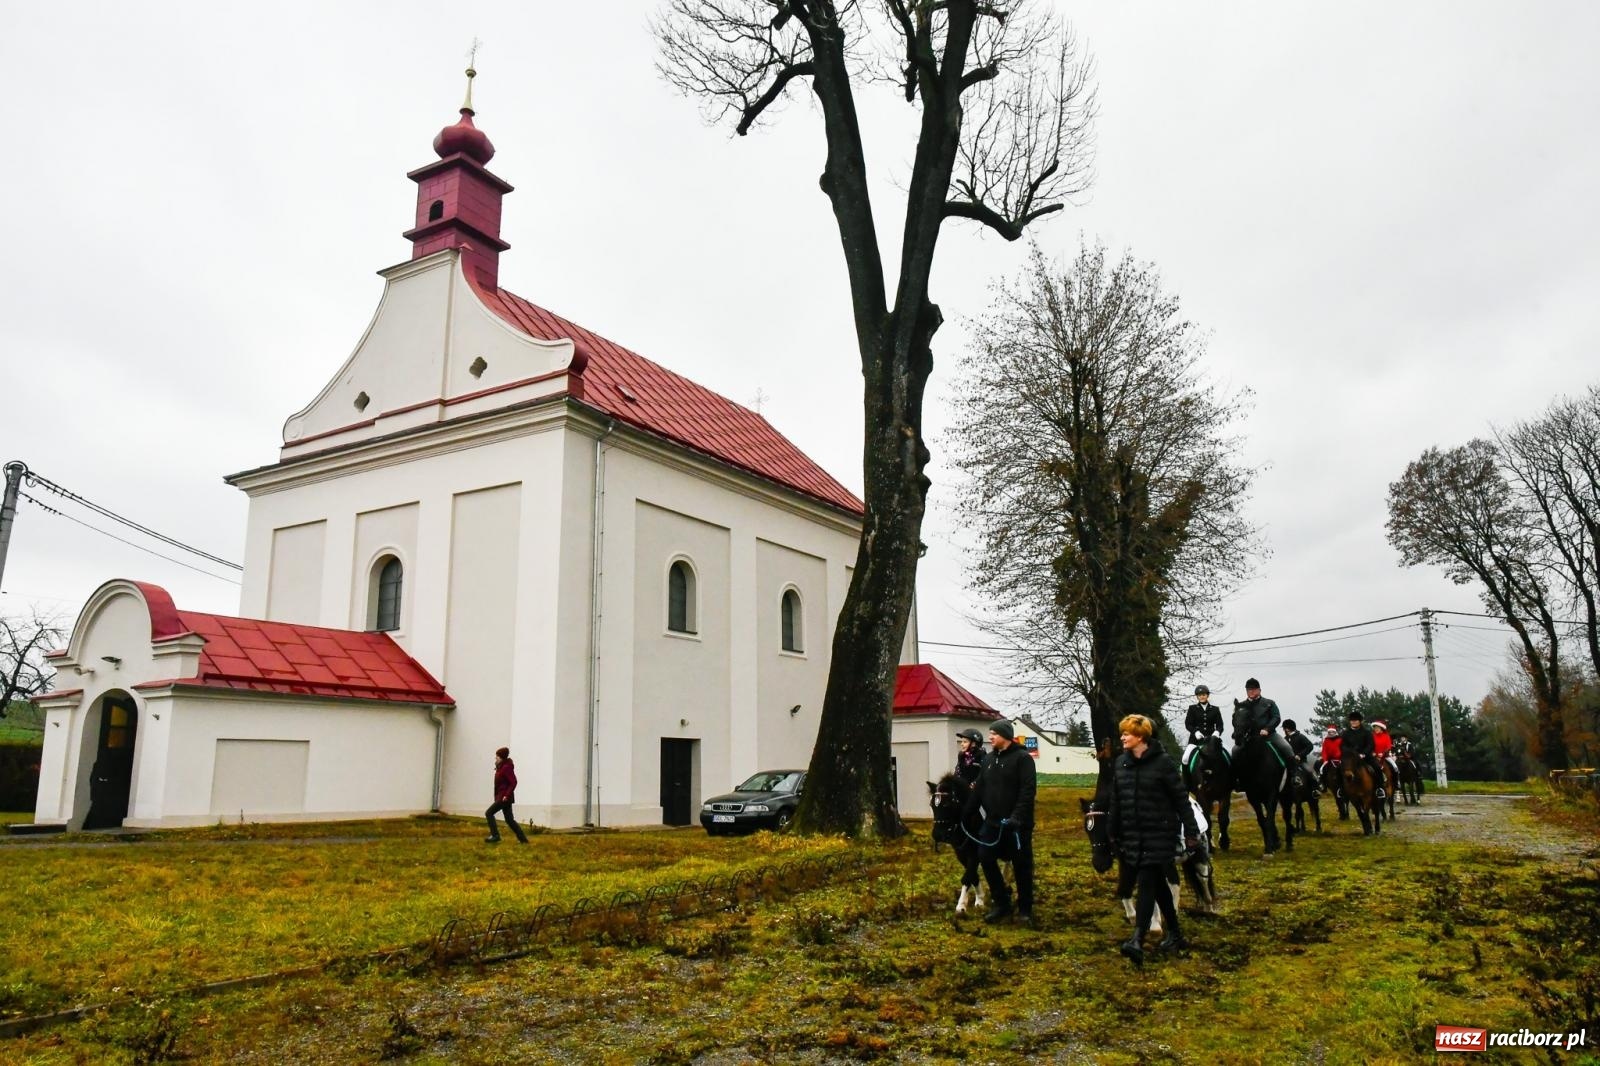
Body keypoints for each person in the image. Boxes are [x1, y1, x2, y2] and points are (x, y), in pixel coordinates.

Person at [1107, 714, 1201, 966]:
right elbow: (1116, 799)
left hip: (1160, 833)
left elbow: (1181, 800)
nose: (1122, 737)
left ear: (1141, 736)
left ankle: (1137, 938)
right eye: (1122, 733)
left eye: (1127, 733)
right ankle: (1176, 934)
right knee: (1158, 884)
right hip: (1132, 834)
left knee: (1146, 881)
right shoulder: (1120, 764)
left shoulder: (1163, 764)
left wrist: (1191, 832)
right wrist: (1112, 830)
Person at [964, 719, 1037, 926]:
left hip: (1017, 826)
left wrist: (1017, 817)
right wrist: (967, 812)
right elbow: (979, 788)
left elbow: (1027, 791)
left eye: (994, 733)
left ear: (1005, 735)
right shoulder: (988, 760)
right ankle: (1002, 903)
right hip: (993, 823)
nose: (990, 737)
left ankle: (1025, 909)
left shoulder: (1022, 759)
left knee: (1022, 866)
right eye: (990, 733)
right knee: (985, 857)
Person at [1231, 678, 1298, 777]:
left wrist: (1267, 729)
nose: (1251, 691)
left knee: (1286, 748)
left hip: (1269, 735)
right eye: (1249, 689)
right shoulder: (1242, 705)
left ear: (1259, 690)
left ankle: (1294, 776)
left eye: (1254, 689)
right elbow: (1236, 721)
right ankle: (1236, 779)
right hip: (1250, 737)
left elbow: (1276, 717)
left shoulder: (1269, 703)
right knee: (1235, 750)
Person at [1181, 685, 1226, 780]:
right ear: (1197, 696)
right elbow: (1188, 724)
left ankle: (1232, 780)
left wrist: (1217, 733)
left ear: (1207, 695)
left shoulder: (1215, 709)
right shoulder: (1192, 708)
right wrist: (1195, 732)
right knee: (1185, 758)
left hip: (1212, 741)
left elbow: (1220, 725)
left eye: (1204, 694)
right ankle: (1186, 784)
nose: (1202, 696)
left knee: (1228, 753)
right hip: (1195, 740)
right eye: (1199, 695)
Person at [485, 746, 529, 844]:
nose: (495, 758)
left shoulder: (506, 768)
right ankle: (523, 839)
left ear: (501, 757)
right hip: (503, 797)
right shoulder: (500, 767)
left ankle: (495, 836)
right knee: (509, 820)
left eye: (497, 757)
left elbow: (513, 782)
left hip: (504, 797)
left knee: (489, 813)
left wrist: (506, 795)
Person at [1339, 710, 1385, 798]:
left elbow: (1370, 745)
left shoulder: (1367, 732)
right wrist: (1350, 752)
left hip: (1365, 757)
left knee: (1377, 768)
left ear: (1359, 721)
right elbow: (1343, 745)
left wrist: (1364, 754)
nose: (1353, 722)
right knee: (1338, 769)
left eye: (1355, 720)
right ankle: (1341, 789)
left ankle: (1380, 788)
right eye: (1352, 720)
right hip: (1351, 758)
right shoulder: (1346, 733)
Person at [1281, 719, 1319, 793]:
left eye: (1284, 728)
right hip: (1288, 763)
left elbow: (1310, 746)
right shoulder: (1284, 739)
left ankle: (1315, 790)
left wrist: (1300, 755)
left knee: (1310, 772)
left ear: (1287, 729)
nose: (1283, 730)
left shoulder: (1300, 736)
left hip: (1301, 761)